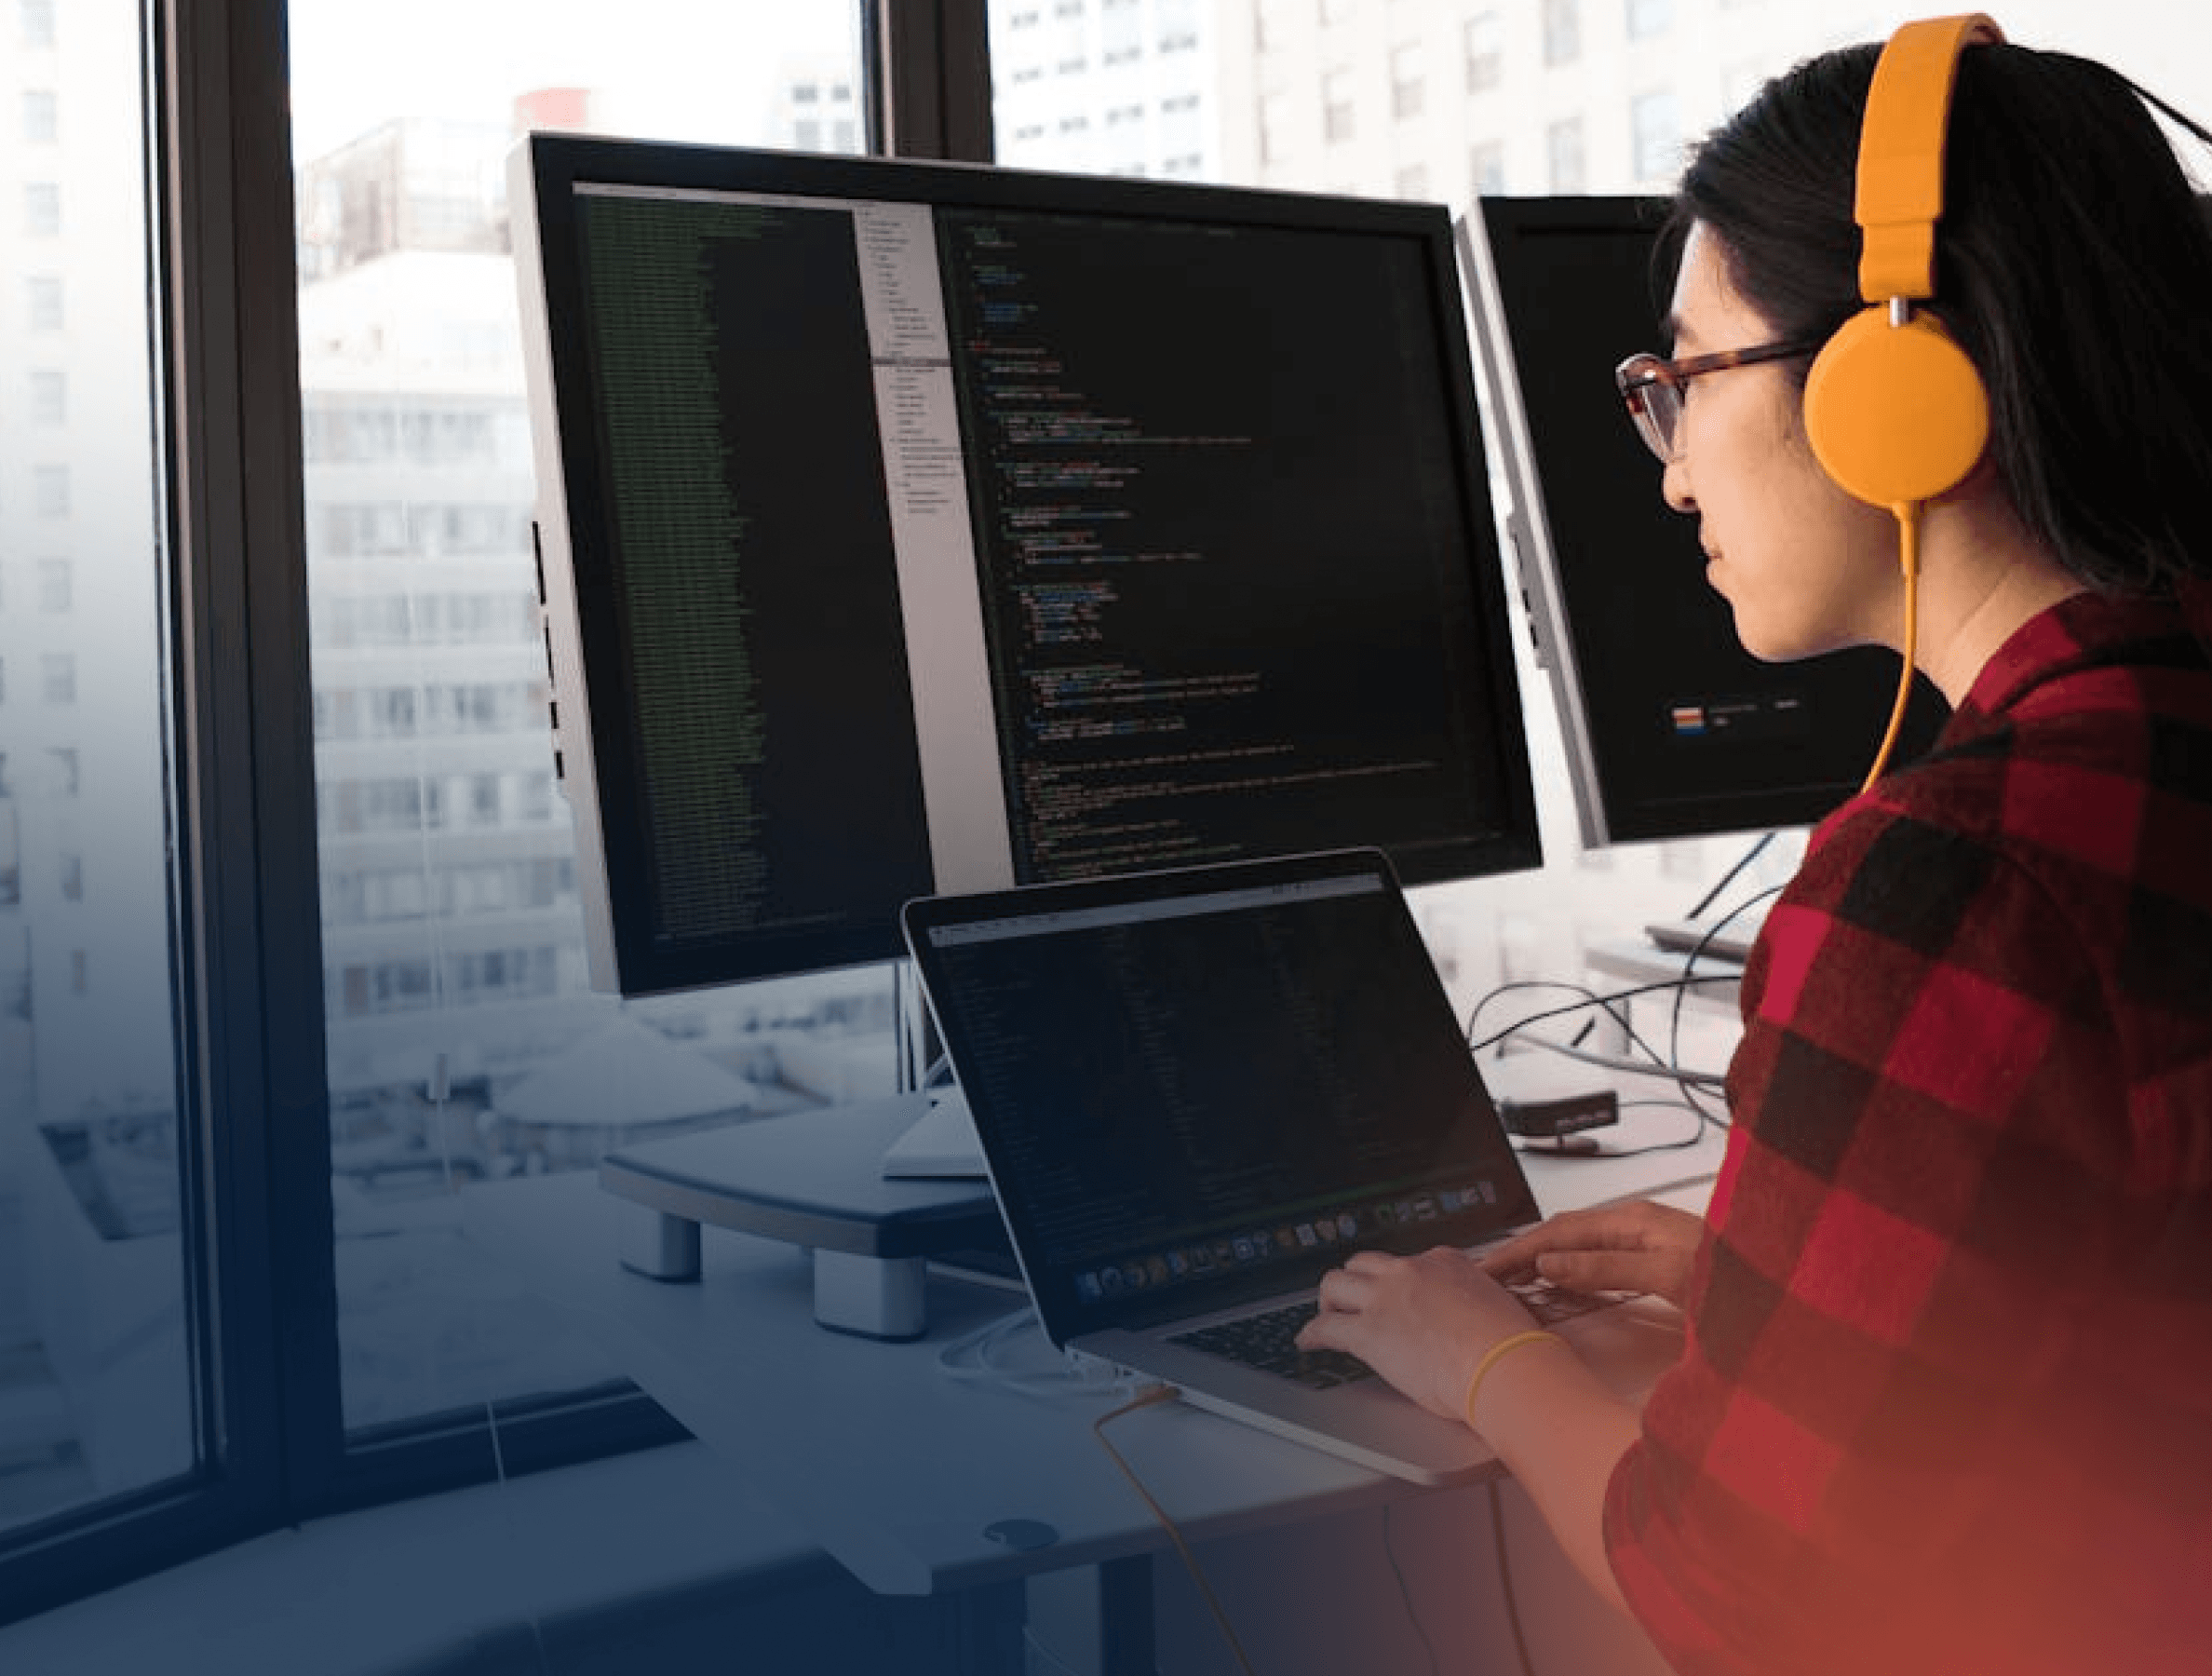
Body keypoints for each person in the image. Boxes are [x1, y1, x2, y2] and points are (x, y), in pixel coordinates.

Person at [1298, 19, 2212, 1675]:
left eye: (1685, 381)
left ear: (1896, 389)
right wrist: (1770, 1283)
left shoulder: (1960, 886)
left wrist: (1481, 1357)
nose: (1670, 479)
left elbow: (1739, 1599)